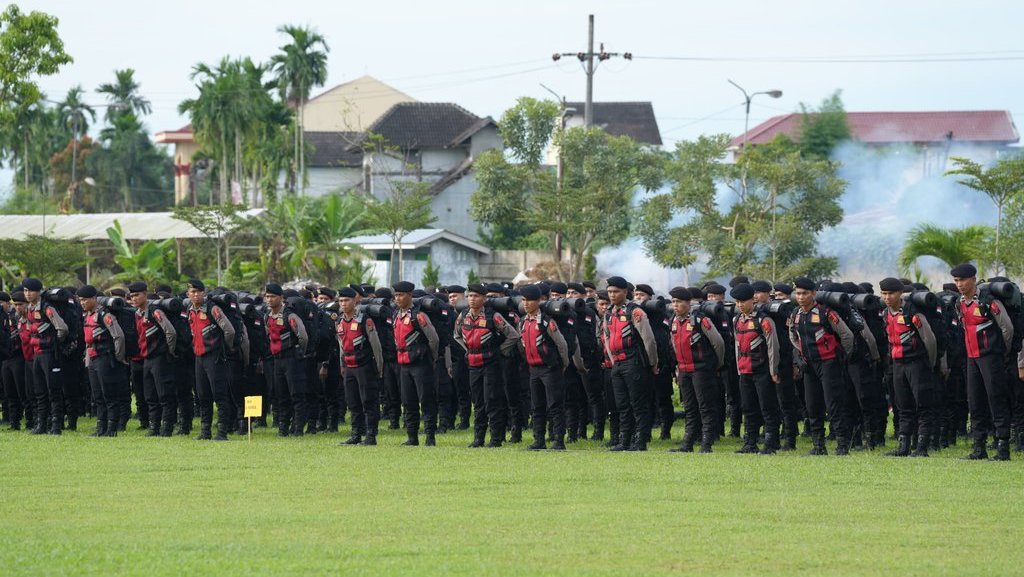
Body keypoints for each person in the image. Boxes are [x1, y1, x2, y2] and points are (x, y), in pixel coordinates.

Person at [951, 263, 1015, 461]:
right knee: (975, 401)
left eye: (962, 280)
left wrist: (1001, 352)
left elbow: (1007, 329)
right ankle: (979, 448)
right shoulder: (960, 303)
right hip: (972, 358)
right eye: (956, 281)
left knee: (996, 400)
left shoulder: (988, 301)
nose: (959, 284)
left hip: (991, 358)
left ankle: (1002, 447)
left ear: (973, 279)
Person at [787, 277, 855, 456]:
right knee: (812, 406)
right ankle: (818, 446)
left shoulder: (826, 313)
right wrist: (800, 355)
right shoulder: (796, 314)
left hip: (829, 364)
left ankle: (842, 445)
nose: (800, 297)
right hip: (809, 366)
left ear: (814, 294)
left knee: (834, 405)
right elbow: (793, 336)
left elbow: (847, 336)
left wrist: (841, 357)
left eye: (804, 293)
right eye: (798, 293)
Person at [454, 284, 520, 448]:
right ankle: (478, 438)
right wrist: (469, 349)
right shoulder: (463, 315)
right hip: (473, 364)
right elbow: (456, 335)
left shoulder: (493, 316)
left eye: (476, 296)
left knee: (492, 400)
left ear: (484, 299)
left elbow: (513, 335)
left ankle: (496, 438)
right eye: (470, 296)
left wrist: (499, 351)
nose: (472, 299)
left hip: (491, 364)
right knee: (477, 402)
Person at [879, 278, 938, 457]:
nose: (887, 297)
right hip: (898, 365)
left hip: (916, 364)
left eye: (891, 293)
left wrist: (931, 364)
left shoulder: (913, 313)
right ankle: (903, 447)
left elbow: (930, 340)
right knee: (903, 406)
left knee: (923, 405)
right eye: (884, 293)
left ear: (900, 293)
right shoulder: (886, 314)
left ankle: (921, 447)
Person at [603, 276, 659, 451]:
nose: (612, 295)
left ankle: (640, 441)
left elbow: (649, 339)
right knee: (622, 406)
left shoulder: (635, 312)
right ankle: (624, 440)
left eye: (616, 292)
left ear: (625, 292)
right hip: (617, 364)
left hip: (633, 362)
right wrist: (613, 361)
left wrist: (652, 363)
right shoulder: (609, 313)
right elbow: (606, 337)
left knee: (638, 404)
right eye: (610, 292)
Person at [667, 287, 723, 453]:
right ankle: (688, 443)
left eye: (679, 302)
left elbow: (718, 343)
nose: (675, 305)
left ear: (688, 303)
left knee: (705, 407)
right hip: (684, 370)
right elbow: (674, 346)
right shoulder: (674, 321)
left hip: (701, 369)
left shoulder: (700, 320)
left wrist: (715, 364)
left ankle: (706, 444)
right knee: (690, 408)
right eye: (673, 302)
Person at [731, 283, 782, 454]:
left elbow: (772, 346)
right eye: (737, 302)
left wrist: (773, 370)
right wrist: (738, 368)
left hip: (762, 371)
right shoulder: (737, 320)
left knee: (768, 407)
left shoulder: (764, 320)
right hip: (744, 371)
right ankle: (750, 443)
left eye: (743, 301)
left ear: (752, 300)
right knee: (748, 407)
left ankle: (770, 443)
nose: (740, 305)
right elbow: (737, 345)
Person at [518, 284, 569, 450]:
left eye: (530, 300)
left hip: (550, 369)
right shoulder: (523, 322)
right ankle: (538, 440)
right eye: (524, 300)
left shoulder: (547, 321)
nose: (526, 304)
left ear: (539, 301)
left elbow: (561, 345)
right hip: (533, 370)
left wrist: (562, 364)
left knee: (554, 405)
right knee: (537, 406)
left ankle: (558, 440)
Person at [186, 279, 236, 441]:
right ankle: (205, 431)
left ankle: (222, 432)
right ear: (188, 294)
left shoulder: (212, 309)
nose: (194, 295)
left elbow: (229, 330)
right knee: (203, 396)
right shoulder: (190, 310)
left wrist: (224, 348)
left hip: (214, 357)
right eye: (192, 292)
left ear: (204, 293)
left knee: (219, 395)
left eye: (197, 292)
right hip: (199, 358)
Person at [392, 281, 441, 446]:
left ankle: (430, 437)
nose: (398, 298)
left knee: (426, 400)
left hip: (420, 363)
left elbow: (433, 339)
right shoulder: (396, 315)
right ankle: (412, 437)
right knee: (408, 401)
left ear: (410, 295)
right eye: (396, 295)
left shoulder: (418, 316)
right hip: (403, 364)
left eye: (401, 295)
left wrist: (431, 359)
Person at [128, 282, 178, 437]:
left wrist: (168, 351)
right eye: (132, 296)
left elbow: (170, 332)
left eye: (137, 295)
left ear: (145, 294)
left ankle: (167, 428)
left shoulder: (155, 311)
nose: (134, 298)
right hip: (146, 359)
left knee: (164, 394)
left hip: (159, 357)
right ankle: (154, 427)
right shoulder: (137, 313)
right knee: (150, 395)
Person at [78, 285, 129, 437]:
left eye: (85, 300)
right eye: (80, 300)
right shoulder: (87, 315)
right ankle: (101, 428)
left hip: (105, 358)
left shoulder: (105, 315)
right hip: (93, 359)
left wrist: (119, 357)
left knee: (109, 395)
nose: (82, 303)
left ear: (94, 299)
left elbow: (118, 336)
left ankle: (111, 429)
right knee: (98, 396)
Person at [336, 287, 383, 446]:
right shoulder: (339, 321)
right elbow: (341, 344)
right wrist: (342, 364)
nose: (343, 304)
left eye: (346, 300)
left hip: (365, 365)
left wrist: (379, 366)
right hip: (349, 366)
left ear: (355, 301)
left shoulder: (364, 320)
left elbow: (376, 345)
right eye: (341, 301)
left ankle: (371, 436)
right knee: (352, 401)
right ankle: (356, 434)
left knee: (368, 401)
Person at [23, 278, 70, 435]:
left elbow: (62, 328)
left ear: (38, 292)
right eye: (25, 290)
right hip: (37, 354)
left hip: (50, 354)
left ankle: (56, 426)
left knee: (53, 390)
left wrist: (54, 343)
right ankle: (41, 425)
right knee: (40, 391)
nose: (27, 294)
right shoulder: (30, 308)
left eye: (30, 291)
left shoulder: (47, 307)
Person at [263, 283, 309, 437]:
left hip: (292, 359)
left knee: (296, 394)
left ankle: (298, 428)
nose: (269, 300)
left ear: (281, 298)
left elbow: (303, 336)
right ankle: (283, 427)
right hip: (277, 360)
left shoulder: (290, 315)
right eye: (267, 296)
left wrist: (297, 352)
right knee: (281, 395)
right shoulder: (267, 316)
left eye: (273, 296)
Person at [446, 285, 472, 430]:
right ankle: (461, 419)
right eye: (450, 297)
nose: (452, 299)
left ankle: (465, 419)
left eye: (455, 296)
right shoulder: (450, 314)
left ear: (464, 296)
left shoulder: (467, 314)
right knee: (458, 390)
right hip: (456, 358)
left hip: (469, 355)